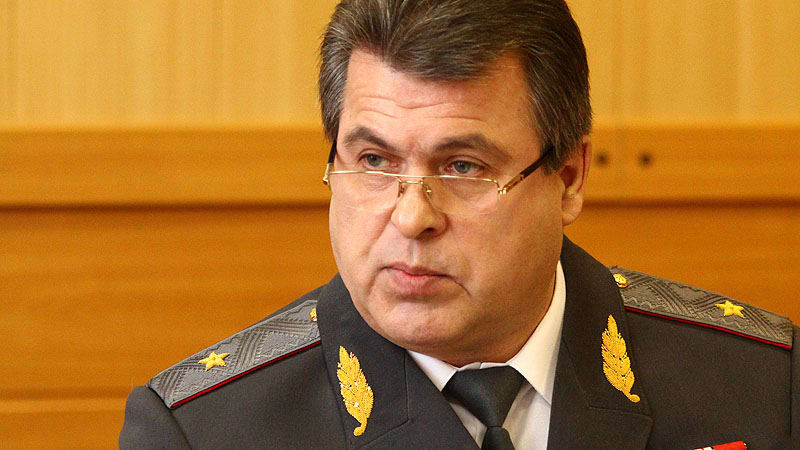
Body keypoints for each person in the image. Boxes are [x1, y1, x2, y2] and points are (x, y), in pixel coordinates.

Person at [120, 1, 799, 448]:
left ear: (568, 178)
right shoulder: (204, 431)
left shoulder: (767, 388)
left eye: (464, 167)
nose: (412, 216)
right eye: (374, 161)